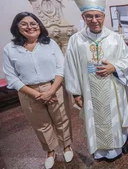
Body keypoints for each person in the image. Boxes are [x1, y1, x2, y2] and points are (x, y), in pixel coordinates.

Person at [64, 0, 128, 160]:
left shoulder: (115, 37)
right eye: (89, 16)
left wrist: (114, 66)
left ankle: (115, 149)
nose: (94, 20)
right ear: (83, 17)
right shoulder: (75, 40)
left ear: (104, 16)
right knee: (95, 120)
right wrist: (75, 92)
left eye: (98, 16)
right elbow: (70, 67)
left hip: (112, 89)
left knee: (113, 120)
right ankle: (100, 151)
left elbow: (127, 58)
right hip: (89, 90)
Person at [2, 12, 73, 169]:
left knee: (62, 119)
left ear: (39, 26)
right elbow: (11, 77)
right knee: (40, 123)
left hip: (54, 87)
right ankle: (50, 151)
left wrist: (50, 91)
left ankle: (67, 146)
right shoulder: (10, 49)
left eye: (33, 23)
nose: (30, 27)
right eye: (24, 24)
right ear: (17, 27)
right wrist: (36, 94)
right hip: (28, 92)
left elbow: (61, 68)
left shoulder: (50, 44)